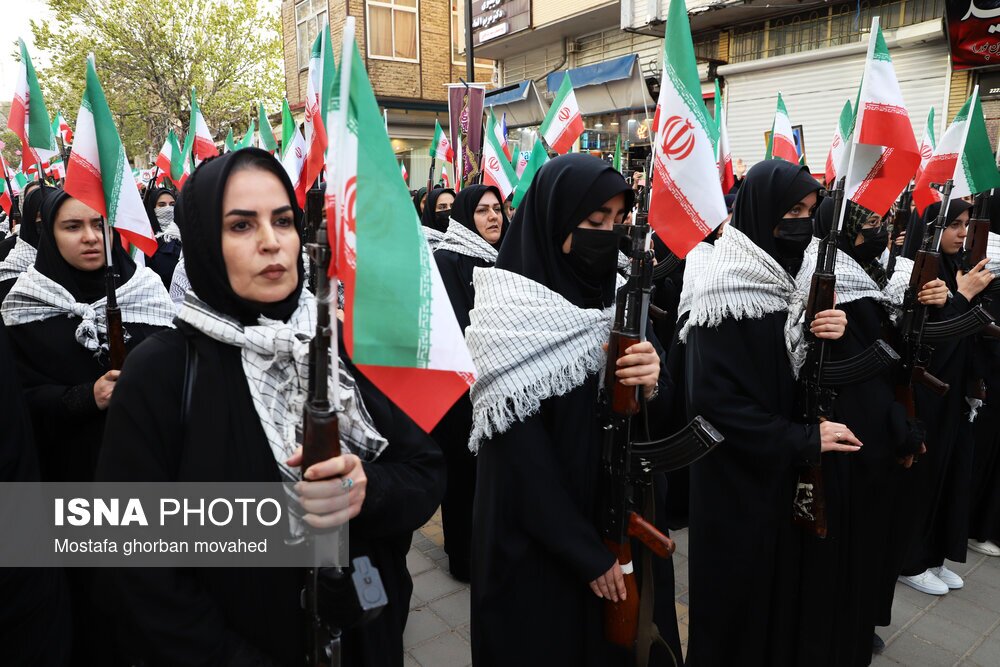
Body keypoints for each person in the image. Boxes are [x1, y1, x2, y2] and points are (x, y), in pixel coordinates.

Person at [95, 148, 444, 666]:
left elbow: (425, 471)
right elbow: (137, 564)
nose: (271, 241)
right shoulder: (161, 373)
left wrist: (366, 490)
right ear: (204, 243)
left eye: (283, 221)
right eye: (241, 225)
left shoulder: (340, 342)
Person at [466, 154, 675, 666]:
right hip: (539, 550)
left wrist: (653, 379)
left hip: (618, 524)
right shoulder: (506, 315)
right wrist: (585, 553)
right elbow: (520, 462)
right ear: (555, 220)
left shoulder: (620, 299)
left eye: (617, 220)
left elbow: (661, 415)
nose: (608, 234)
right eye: (594, 221)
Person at [681, 160, 860, 666]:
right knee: (738, 611)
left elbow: (796, 371)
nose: (802, 222)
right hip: (735, 483)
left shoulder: (796, 278)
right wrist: (800, 439)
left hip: (782, 473)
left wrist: (829, 333)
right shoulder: (721, 287)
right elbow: (715, 404)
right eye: (792, 211)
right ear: (761, 210)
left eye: (809, 211)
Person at [0, 188, 174, 663]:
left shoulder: (146, 292)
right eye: (73, 227)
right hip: (67, 486)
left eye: (99, 225)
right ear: (49, 236)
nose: (91, 237)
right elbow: (17, 408)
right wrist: (82, 397)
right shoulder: (23, 307)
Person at [800, 198, 924, 664]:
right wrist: (898, 428)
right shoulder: (825, 280)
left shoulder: (872, 275)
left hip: (876, 431)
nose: (880, 228)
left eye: (881, 219)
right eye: (868, 220)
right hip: (849, 438)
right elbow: (855, 375)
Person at [897, 199, 996, 596]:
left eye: (965, 224)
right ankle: (909, 560)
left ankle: (933, 555)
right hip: (926, 394)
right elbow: (928, 341)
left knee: (950, 475)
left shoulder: (957, 266)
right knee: (922, 479)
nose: (961, 232)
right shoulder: (919, 271)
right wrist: (961, 297)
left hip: (955, 395)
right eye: (953, 224)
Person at [432, 184, 506, 582]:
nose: (493, 216)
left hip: (500, 387)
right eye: (482, 210)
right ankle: (463, 557)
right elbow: (457, 327)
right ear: (465, 217)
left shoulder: (506, 257)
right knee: (463, 478)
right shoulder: (447, 260)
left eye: (497, 208)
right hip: (462, 393)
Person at [0, 183, 54, 300]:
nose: (47, 222)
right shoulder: (8, 253)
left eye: (52, 215)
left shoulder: (74, 256)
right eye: (40, 216)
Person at [144, 186, 183, 288]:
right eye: (162, 205)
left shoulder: (186, 234)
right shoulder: (145, 240)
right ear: (152, 208)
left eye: (172, 204)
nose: (168, 209)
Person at [420, 186, 455, 250]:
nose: (449, 210)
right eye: (442, 207)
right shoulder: (421, 243)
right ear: (431, 211)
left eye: (453, 206)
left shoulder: (463, 238)